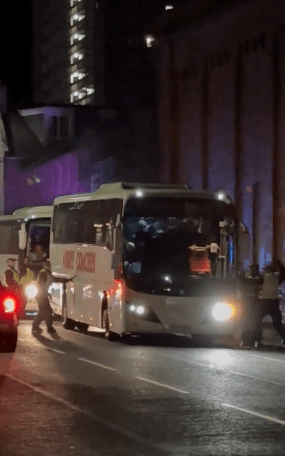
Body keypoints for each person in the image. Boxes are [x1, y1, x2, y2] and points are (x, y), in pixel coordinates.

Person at [256, 261, 285, 347]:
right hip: (272, 301)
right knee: (277, 323)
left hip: (265, 301)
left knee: (257, 320)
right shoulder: (276, 277)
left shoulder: (264, 277)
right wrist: (279, 264)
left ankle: (257, 340)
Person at [239, 263, 263, 347]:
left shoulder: (261, 278)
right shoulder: (245, 277)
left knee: (256, 322)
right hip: (247, 301)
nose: (254, 271)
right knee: (246, 321)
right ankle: (245, 339)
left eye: (255, 269)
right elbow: (241, 287)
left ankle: (256, 340)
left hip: (256, 301)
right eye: (253, 269)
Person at [32, 259, 56, 334]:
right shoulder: (43, 273)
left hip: (41, 295)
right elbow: (42, 284)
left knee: (44, 311)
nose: (49, 266)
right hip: (41, 295)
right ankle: (47, 327)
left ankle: (37, 326)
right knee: (46, 311)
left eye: (49, 264)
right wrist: (46, 293)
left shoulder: (46, 272)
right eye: (48, 264)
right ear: (45, 265)